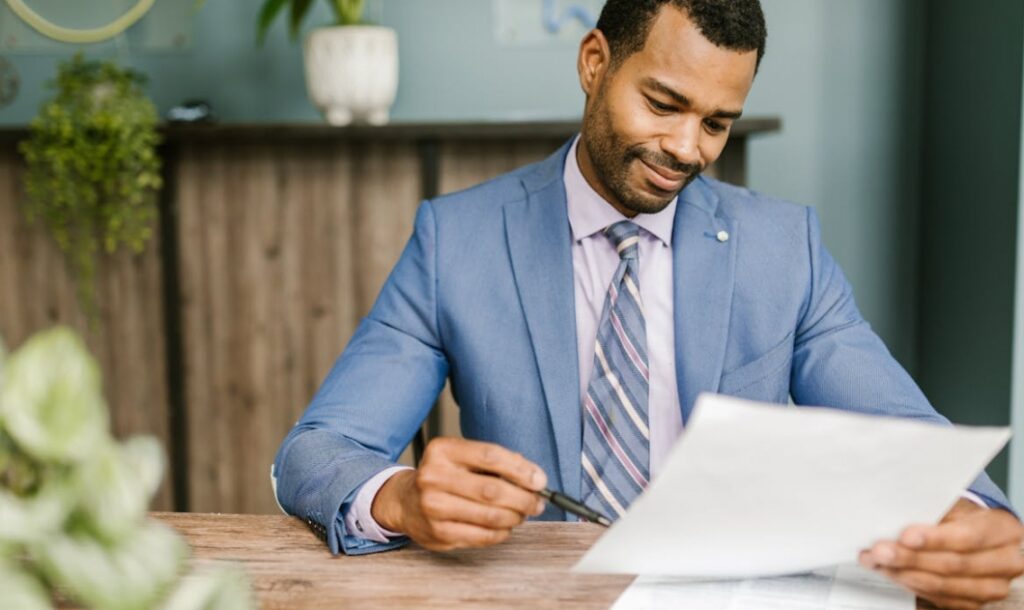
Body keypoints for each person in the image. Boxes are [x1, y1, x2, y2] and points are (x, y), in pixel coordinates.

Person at [272, 1, 1024, 607]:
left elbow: (913, 435)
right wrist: (399, 497)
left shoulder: (782, 248)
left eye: (716, 122)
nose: (688, 147)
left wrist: (977, 521)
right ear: (594, 62)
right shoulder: (457, 241)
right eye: (664, 103)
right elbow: (312, 453)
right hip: (537, 594)